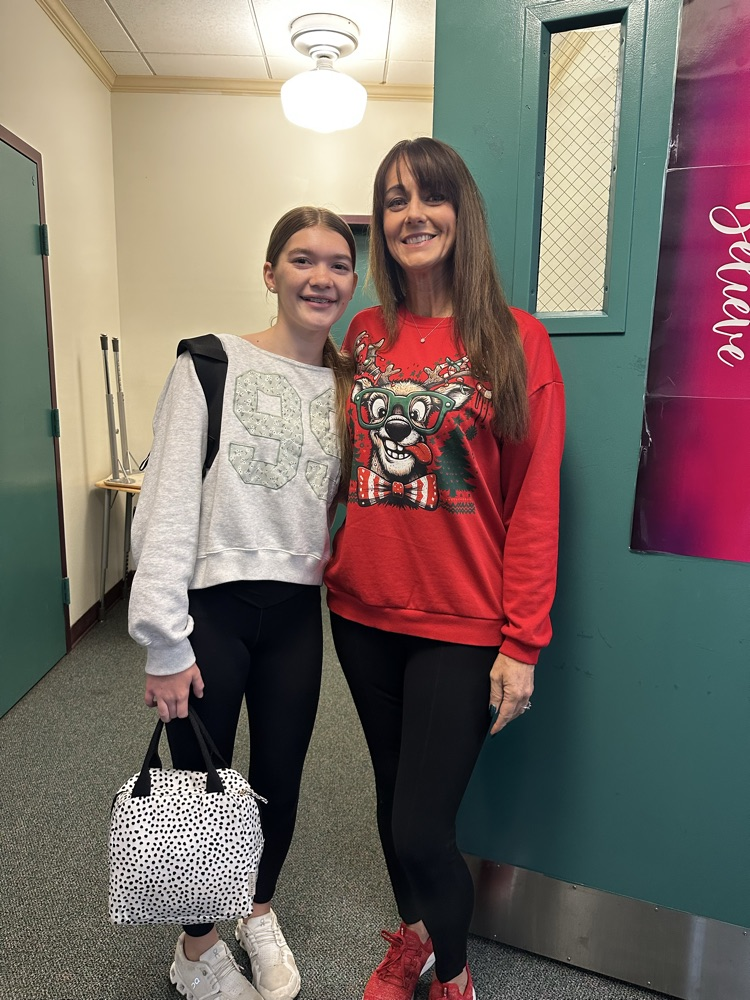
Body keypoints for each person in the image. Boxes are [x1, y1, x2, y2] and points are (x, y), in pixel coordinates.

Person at [324, 137, 565, 1000]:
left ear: (460, 213)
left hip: (461, 625)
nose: (411, 215)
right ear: (380, 225)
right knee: (395, 808)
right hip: (358, 613)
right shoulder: (363, 334)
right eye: (393, 201)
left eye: (428, 198)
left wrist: (523, 643)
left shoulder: (516, 340)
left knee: (425, 828)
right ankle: (416, 943)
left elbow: (535, 503)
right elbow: (335, 462)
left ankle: (455, 978)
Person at [128, 206, 358, 1000]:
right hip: (210, 611)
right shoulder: (209, 364)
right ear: (271, 274)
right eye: (301, 259)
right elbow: (162, 507)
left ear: (352, 283)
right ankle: (195, 950)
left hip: (295, 613)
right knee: (200, 787)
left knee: (280, 779)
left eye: (337, 263)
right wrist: (164, 641)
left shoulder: (346, 389)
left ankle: (256, 910)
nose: (319, 276)